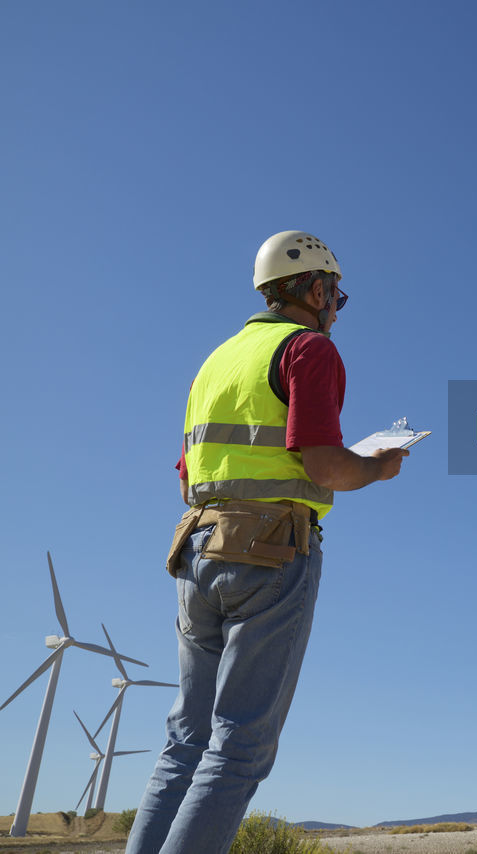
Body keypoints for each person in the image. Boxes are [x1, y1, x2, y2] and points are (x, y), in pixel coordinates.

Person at [126, 231, 408, 854]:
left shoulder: (217, 362)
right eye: (335, 292)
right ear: (313, 288)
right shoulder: (309, 350)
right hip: (271, 550)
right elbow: (326, 466)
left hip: (196, 550)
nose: (336, 306)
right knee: (239, 747)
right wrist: (376, 467)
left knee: (186, 741)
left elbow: (187, 479)